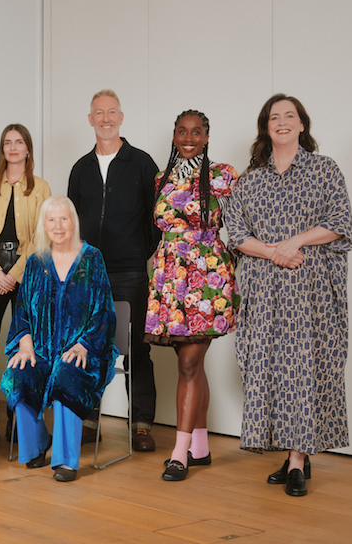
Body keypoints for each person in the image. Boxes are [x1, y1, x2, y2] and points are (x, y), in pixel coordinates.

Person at [226, 94, 352, 497]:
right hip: (264, 290)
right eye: (274, 117)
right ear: (266, 127)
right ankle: (290, 453)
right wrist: (273, 253)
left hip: (310, 290)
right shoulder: (250, 181)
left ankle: (298, 460)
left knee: (304, 367)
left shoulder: (325, 170)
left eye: (290, 116)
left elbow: (339, 222)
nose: (282, 123)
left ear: (302, 125)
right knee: (266, 367)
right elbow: (236, 232)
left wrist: (294, 242)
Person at [144, 110, 240, 481]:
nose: (189, 138)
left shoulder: (222, 176)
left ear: (207, 136)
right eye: (182, 131)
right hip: (170, 281)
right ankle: (200, 446)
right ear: (173, 135)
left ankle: (179, 453)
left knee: (188, 364)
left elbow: (245, 222)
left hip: (207, 281)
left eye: (196, 132)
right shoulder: (161, 180)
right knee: (191, 364)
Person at [68, 88, 160, 451]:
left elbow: (156, 217)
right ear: (90, 120)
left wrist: (139, 252)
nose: (105, 119)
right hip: (88, 276)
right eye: (98, 113)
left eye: (112, 112)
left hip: (130, 272)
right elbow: (70, 224)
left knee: (136, 348)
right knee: (88, 346)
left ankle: (140, 424)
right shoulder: (80, 169)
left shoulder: (141, 163)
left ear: (121, 118)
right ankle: (90, 418)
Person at [1, 196, 118, 482]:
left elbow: (104, 311)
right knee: (17, 374)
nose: (58, 225)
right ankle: (38, 445)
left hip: (84, 351)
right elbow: (23, 310)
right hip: (40, 349)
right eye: (51, 220)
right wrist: (25, 344)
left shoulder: (92, 258)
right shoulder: (34, 262)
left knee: (66, 372)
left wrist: (84, 345)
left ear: (74, 222)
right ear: (43, 225)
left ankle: (66, 461)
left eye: (63, 218)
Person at [0, 124, 51, 446]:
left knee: (23, 348)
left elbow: (41, 237)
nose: (13, 148)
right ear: (2, 149)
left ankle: (19, 424)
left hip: (26, 273)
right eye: (7, 143)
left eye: (19, 143)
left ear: (28, 149)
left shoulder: (40, 187)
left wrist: (15, 272)